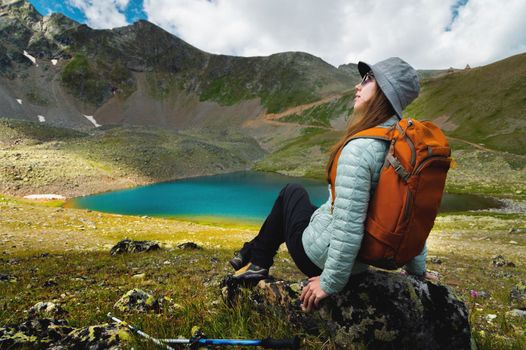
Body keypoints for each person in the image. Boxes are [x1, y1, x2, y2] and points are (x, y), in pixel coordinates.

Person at [230, 57, 434, 312]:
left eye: (368, 79)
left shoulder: (361, 149)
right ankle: (252, 253)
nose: (357, 87)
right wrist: (418, 272)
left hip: (319, 259)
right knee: (309, 206)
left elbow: (348, 226)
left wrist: (330, 282)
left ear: (385, 92)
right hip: (360, 260)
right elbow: (411, 215)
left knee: (291, 192)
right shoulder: (404, 148)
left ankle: (257, 261)